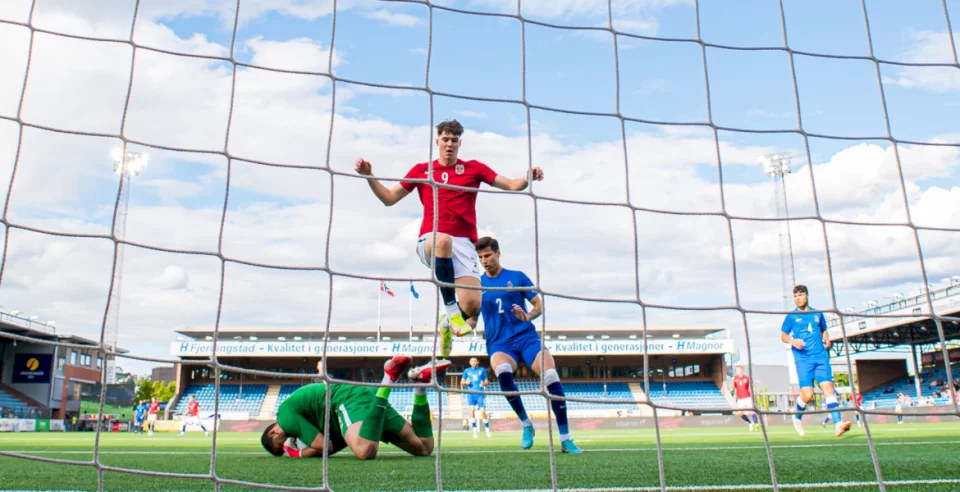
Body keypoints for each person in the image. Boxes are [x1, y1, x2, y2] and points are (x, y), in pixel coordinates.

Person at [354, 119, 544, 357]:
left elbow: (513, 185)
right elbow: (389, 198)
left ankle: (446, 325)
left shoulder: (474, 168)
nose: (449, 144)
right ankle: (451, 309)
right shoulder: (422, 170)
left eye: (454, 140)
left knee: (473, 305)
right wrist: (369, 175)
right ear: (437, 141)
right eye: (445, 139)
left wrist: (528, 177)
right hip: (431, 241)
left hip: (464, 244)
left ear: (459, 143)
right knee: (443, 241)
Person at [467, 236, 582, 453]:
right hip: (499, 343)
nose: (484, 261)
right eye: (481, 257)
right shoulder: (477, 285)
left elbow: (538, 305)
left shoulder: (516, 276)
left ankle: (565, 438)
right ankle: (527, 424)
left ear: (498, 253)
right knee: (502, 372)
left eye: (488, 255)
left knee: (551, 376)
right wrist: (459, 326)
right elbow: (472, 320)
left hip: (526, 337)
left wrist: (528, 316)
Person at [260, 355, 450, 460]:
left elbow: (323, 445)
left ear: (273, 433)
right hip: (362, 398)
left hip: (347, 400)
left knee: (364, 450)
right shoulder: (305, 416)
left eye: (281, 446)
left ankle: (388, 379)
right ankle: (420, 384)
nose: (288, 443)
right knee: (424, 448)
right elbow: (333, 444)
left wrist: (297, 453)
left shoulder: (284, 416)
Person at [780, 285, 852, 437]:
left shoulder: (818, 314)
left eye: (800, 295)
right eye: (795, 296)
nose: (798, 298)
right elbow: (783, 336)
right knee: (808, 394)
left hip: (820, 356)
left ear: (807, 295)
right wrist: (793, 341)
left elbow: (823, 329)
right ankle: (797, 416)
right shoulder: (791, 317)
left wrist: (826, 338)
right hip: (803, 358)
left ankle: (838, 424)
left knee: (828, 389)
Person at [461, 357, 491, 438]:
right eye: (472, 361)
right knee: (471, 410)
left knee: (483, 412)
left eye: (475, 361)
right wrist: (465, 383)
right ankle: (474, 430)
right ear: (469, 362)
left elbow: (487, 381)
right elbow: (462, 382)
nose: (473, 362)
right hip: (471, 394)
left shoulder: (482, 370)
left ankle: (487, 429)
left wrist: (484, 384)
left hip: (480, 394)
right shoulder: (467, 371)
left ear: (478, 362)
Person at [732, 365, 759, 431]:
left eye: (738, 370)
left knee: (752, 411)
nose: (737, 371)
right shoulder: (735, 378)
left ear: (741, 370)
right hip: (740, 399)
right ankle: (750, 423)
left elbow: (754, 385)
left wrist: (755, 393)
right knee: (739, 413)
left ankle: (756, 424)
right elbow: (733, 388)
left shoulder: (747, 378)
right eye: (736, 370)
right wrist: (733, 381)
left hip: (747, 397)